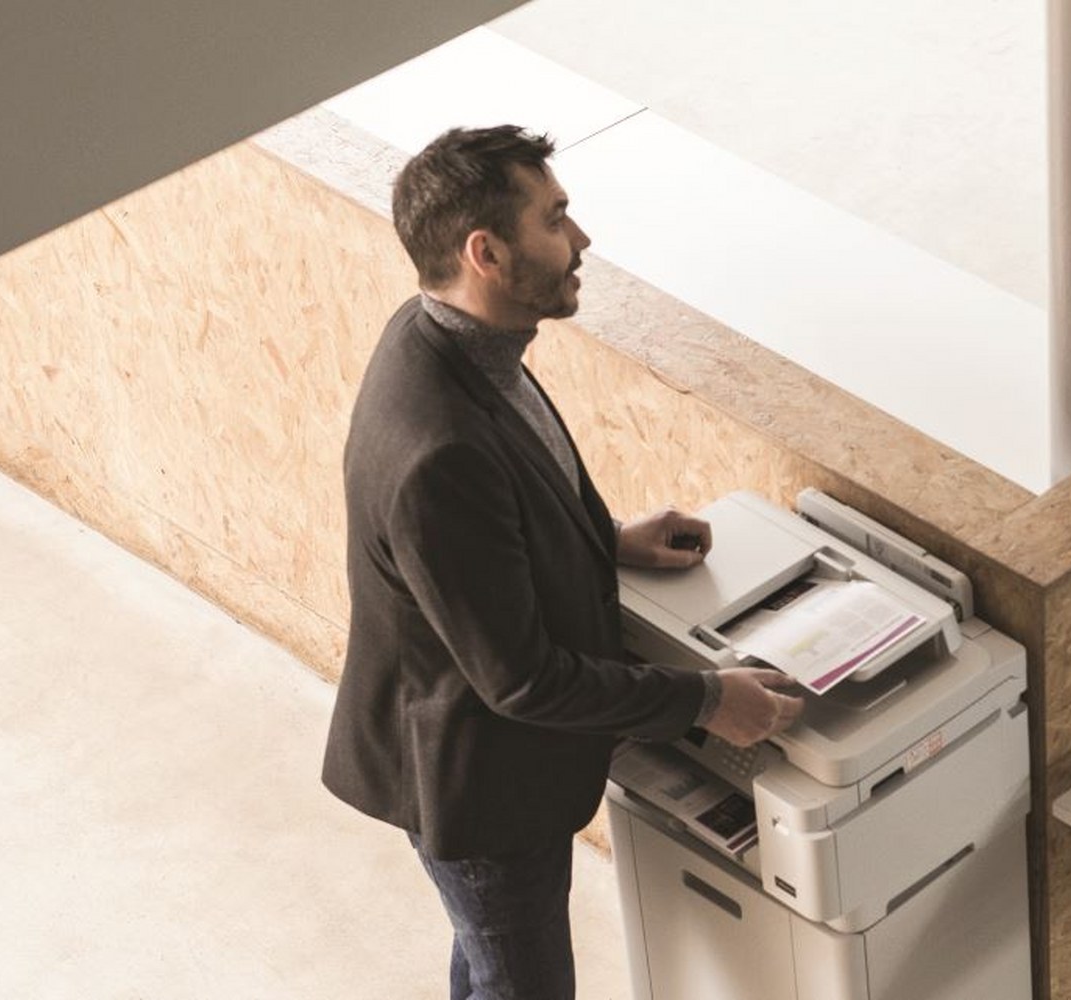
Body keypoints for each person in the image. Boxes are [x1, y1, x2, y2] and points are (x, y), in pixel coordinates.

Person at [323, 125, 805, 1000]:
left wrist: (606, 539)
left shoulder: (453, 339)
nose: (581, 241)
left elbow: (483, 538)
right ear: (487, 252)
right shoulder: (442, 446)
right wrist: (707, 701)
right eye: (556, 219)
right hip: (477, 790)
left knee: (488, 963)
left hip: (481, 760)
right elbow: (522, 681)